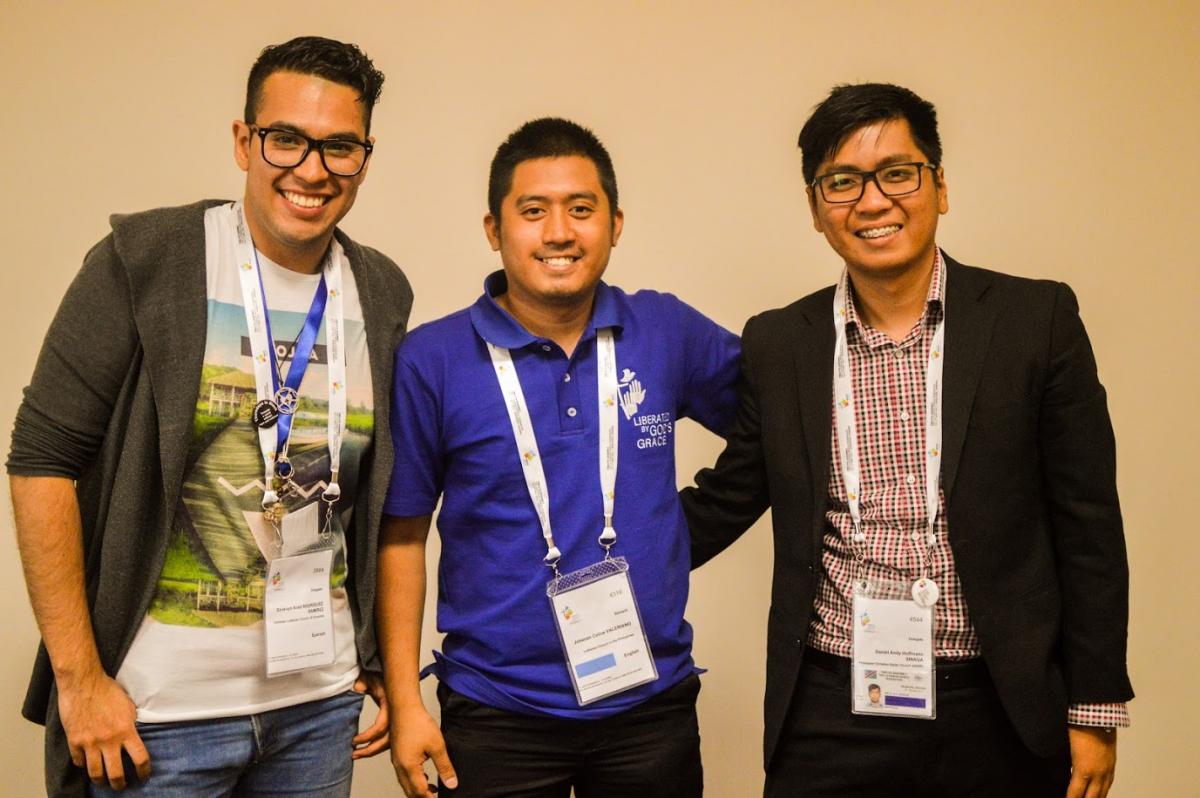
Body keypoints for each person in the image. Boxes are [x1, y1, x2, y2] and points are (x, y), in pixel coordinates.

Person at [682, 83, 1132, 798]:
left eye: (898, 172)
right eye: (843, 182)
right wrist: (581, 553)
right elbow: (728, 497)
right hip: (832, 704)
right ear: (816, 208)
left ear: (939, 186)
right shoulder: (779, 343)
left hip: (1000, 703)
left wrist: (1095, 705)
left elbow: (1089, 526)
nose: (873, 200)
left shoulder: (1034, 321)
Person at [7, 36, 413, 797]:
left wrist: (373, 662)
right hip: (156, 717)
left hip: (318, 710)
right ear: (243, 140)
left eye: (340, 147)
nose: (312, 169)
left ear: (365, 155)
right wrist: (79, 681)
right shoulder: (148, 258)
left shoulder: (381, 291)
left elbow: (375, 503)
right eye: (286, 138)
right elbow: (40, 459)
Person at [377, 117, 739, 798]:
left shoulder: (664, 330)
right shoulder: (434, 359)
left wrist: (690, 529)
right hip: (494, 711)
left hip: (650, 704)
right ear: (494, 229)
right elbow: (400, 535)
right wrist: (405, 703)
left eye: (581, 209)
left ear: (615, 222)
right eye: (533, 211)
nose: (559, 232)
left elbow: (783, 425)